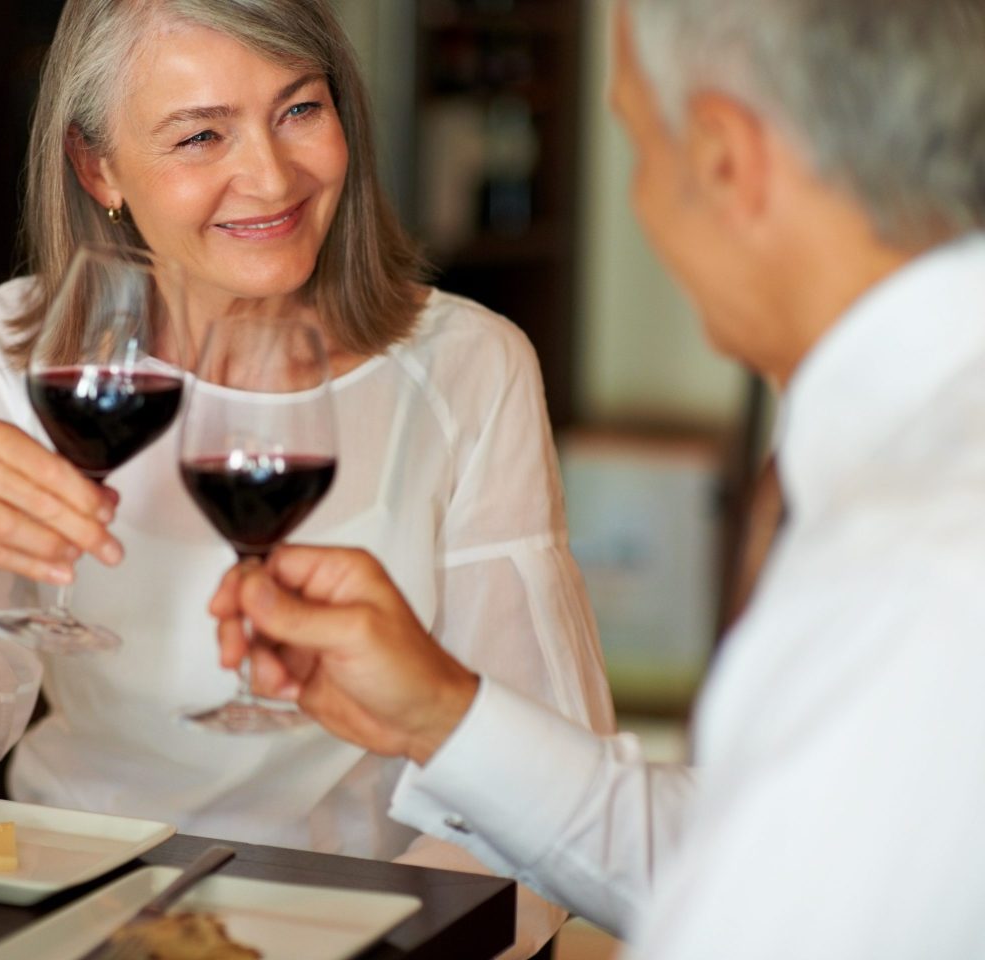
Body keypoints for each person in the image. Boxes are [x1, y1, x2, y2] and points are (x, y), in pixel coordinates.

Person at [0, 1, 612, 954]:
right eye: (201, 134)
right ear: (97, 166)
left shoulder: (468, 366)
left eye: (299, 110)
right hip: (79, 911)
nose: (272, 177)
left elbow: (537, 797)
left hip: (362, 920)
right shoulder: (14, 349)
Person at [211, 0, 985, 956]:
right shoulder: (921, 463)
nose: (638, 199)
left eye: (638, 146)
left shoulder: (918, 559)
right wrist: (444, 715)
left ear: (723, 159)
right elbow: (743, 859)